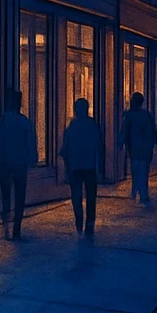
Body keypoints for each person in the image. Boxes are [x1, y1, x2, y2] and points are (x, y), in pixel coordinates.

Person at [0, 87, 37, 240]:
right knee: (19, 197)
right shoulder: (24, 121)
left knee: (5, 195)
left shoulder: (2, 121)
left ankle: (5, 226)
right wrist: (32, 159)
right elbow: (30, 142)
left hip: (4, 164)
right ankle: (16, 229)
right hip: (19, 164)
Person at [60, 97, 101, 234]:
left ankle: (79, 221)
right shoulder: (92, 125)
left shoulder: (72, 126)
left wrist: (67, 165)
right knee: (91, 196)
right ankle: (90, 222)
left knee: (76, 196)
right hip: (90, 166)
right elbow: (99, 145)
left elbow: (64, 149)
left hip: (75, 166)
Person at [118, 91, 157, 205]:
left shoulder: (130, 115)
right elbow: (153, 129)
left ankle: (138, 191)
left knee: (136, 169)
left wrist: (121, 143)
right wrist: (155, 141)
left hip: (135, 147)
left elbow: (125, 130)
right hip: (146, 147)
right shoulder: (146, 114)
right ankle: (141, 192)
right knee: (144, 170)